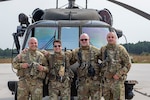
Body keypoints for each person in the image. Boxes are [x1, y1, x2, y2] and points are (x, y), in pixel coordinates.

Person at [98, 32, 131, 100]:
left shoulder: (121, 49)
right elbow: (99, 57)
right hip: (107, 82)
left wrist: (119, 74)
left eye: (112, 37)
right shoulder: (103, 49)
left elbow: (128, 64)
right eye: (109, 37)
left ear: (115, 38)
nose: (110, 39)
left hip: (117, 81)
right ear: (106, 38)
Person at [69, 33, 101, 100]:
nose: (84, 41)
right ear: (79, 41)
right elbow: (68, 61)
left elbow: (105, 61)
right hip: (82, 83)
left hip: (94, 82)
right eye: (82, 40)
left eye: (85, 39)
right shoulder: (76, 52)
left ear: (89, 40)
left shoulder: (96, 51)